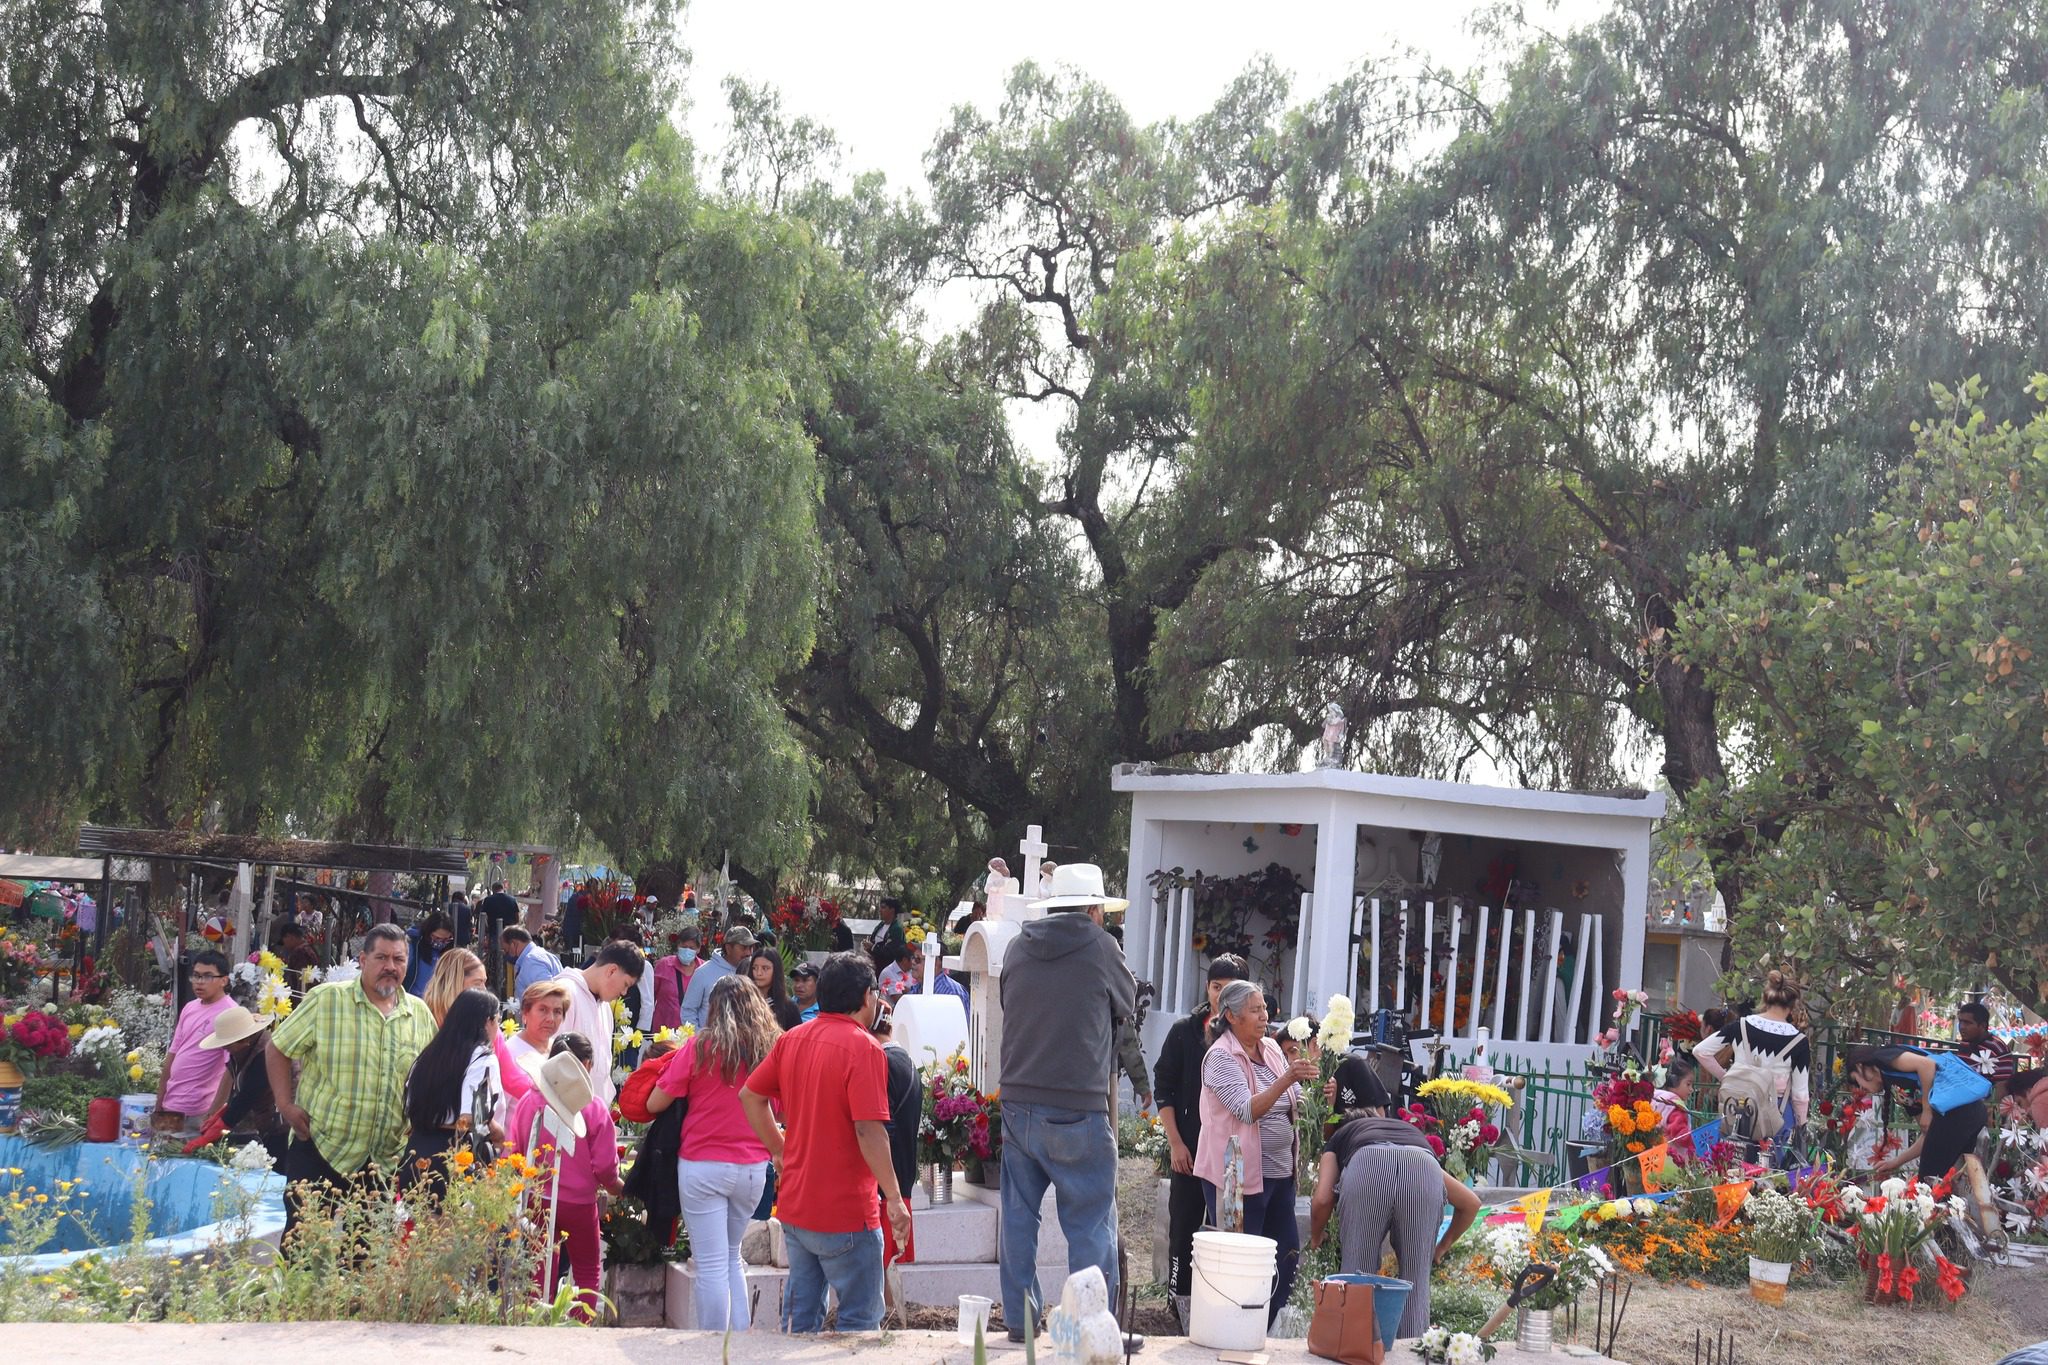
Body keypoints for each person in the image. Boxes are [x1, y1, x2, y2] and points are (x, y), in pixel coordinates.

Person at [998, 863, 1138, 1344]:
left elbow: (1007, 1001)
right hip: (1078, 1105)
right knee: (1090, 1222)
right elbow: (1127, 1002)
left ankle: (1020, 1322)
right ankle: (1089, 1330)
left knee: (1018, 1217)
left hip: (1017, 1102)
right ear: (1096, 909)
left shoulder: (1018, 946)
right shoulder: (1101, 946)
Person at [739, 951, 910, 1334]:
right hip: (847, 1213)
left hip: (798, 1209)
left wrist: (779, 1149)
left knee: (799, 1322)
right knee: (859, 1325)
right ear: (868, 997)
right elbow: (869, 1130)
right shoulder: (864, 1048)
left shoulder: (793, 1039)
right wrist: (895, 1198)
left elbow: (750, 1096)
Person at [266, 923, 436, 1241]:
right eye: (381, 957)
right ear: (362, 960)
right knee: (303, 1251)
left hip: (382, 1161)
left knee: (366, 1261)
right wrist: (284, 1104)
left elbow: (428, 1076)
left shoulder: (419, 1015)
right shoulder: (327, 1000)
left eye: (399, 959)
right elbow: (277, 1047)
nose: (390, 967)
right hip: (321, 1146)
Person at [1308, 1055, 1480, 1339]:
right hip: (1422, 1167)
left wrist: (1316, 1236)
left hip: (1367, 1166)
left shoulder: (1340, 1137)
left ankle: (1356, 1348)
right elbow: (1471, 1204)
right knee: (1414, 1284)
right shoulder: (1409, 1133)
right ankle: (1410, 1350)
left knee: (1357, 1280)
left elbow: (1322, 1199)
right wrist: (1440, 1248)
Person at [645, 976, 779, 1331]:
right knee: (733, 1258)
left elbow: (655, 1101)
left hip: (703, 1164)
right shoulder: (771, 1049)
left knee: (710, 1264)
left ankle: (712, 1346)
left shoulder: (700, 1047)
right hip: (753, 1167)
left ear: (714, 1009)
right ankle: (738, 1344)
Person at [1196, 978, 1315, 1323]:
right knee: (1241, 1263)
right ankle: (1233, 1328)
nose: (1265, 1016)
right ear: (1231, 1016)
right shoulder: (1220, 1057)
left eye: (1265, 1008)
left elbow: (1289, 1100)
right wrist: (1287, 1081)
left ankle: (1262, 1326)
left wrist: (1308, 1098)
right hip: (1238, 1177)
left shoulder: (1272, 1049)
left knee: (1287, 1257)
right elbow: (1246, 1110)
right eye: (1255, 1010)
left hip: (1279, 1174)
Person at [1153, 954, 1248, 1327]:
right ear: (1207, 988)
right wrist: (1176, 1143)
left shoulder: (1254, 1037)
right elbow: (1165, 1090)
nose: (1220, 995)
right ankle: (1178, 1305)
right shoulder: (1185, 1031)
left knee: (1231, 1235)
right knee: (1184, 1230)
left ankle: (1224, 1309)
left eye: (1229, 989)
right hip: (1190, 1153)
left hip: (1234, 1160)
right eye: (1216, 987)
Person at [510, 1034, 622, 1321]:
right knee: (586, 1270)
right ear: (585, 1065)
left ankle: (535, 1322)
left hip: (536, 1199)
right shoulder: (594, 1108)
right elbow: (606, 1168)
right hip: (580, 1204)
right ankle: (578, 1328)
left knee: (539, 1268)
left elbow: (515, 1151)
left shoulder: (529, 1101)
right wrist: (620, 1187)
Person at [1694, 972, 1809, 1163]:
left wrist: (1727, 1077)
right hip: (1776, 1115)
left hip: (1736, 1107)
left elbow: (1701, 1051)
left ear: (1765, 998)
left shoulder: (1740, 1026)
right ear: (1792, 1004)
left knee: (1731, 1168)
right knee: (1772, 1179)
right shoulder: (1798, 1042)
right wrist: (1801, 1127)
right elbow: (1800, 1096)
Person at [400, 987, 505, 1195]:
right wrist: (495, 1131)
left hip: (415, 1153)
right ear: (488, 1021)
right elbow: (472, 1116)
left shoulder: (429, 1055)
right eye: (498, 1021)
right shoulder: (483, 1058)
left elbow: (409, 1106)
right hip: (453, 1157)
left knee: (420, 1225)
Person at [1844, 1042, 1992, 1182]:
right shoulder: (1897, 1089)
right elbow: (1928, 1133)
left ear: (1859, 1066)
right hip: (1962, 1117)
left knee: (1928, 1184)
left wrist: (1927, 1109)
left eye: (1857, 1082)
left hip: (1960, 1112)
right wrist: (1896, 1162)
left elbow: (1926, 1064)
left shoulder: (1883, 1056)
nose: (1860, 1089)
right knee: (1945, 1183)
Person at [156, 949, 236, 1138]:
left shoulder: (230, 1014)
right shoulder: (190, 1007)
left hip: (197, 1112)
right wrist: (159, 1101)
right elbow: (173, 1054)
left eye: (208, 976)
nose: (200, 982)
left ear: (224, 980)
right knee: (160, 1162)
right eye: (196, 976)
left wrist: (212, 1115)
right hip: (171, 1105)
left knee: (187, 1163)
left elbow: (231, 1069)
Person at [553, 939, 645, 1105]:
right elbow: (554, 1061)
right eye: (625, 984)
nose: (624, 992)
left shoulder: (605, 1008)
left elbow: (602, 1070)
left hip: (594, 1115)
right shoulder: (565, 993)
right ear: (611, 971)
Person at [192, 1004, 285, 1160]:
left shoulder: (265, 1054)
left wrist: (216, 1129)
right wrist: (215, 1115)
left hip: (283, 1126)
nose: (224, 1048)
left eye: (228, 1045)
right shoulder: (243, 1051)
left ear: (243, 1040)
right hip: (267, 1123)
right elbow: (233, 1081)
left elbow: (247, 1097)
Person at [678, 925, 754, 1030]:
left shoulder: (753, 973)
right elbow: (688, 1011)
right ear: (728, 948)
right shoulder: (703, 973)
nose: (748, 953)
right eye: (744, 948)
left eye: (751, 948)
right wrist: (700, 1038)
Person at [1954, 1000, 2016, 1100]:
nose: (1962, 1027)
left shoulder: (1998, 1048)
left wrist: (1985, 1108)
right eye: (1960, 1021)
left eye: (1967, 1023)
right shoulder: (1965, 1043)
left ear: (1982, 1025)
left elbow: (2002, 1086)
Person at [507, 979, 572, 1073]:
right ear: (525, 1012)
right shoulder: (509, 1053)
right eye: (543, 1010)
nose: (550, 1019)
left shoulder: (561, 1051)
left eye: (557, 1012)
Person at [651, 926, 702, 1031]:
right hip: (663, 1032)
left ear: (698, 949)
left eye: (691, 948)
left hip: (691, 1034)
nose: (687, 950)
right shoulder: (664, 965)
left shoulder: (703, 970)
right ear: (678, 945)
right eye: (684, 946)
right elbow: (651, 996)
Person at [501, 924, 563, 1003]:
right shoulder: (543, 955)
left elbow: (548, 995)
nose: (507, 954)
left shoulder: (532, 961)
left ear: (513, 944)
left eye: (506, 950)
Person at [1651, 1054, 1698, 1153]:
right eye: (1688, 1084)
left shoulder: (1657, 1097)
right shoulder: (1676, 1106)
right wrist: (1696, 1142)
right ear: (1674, 1082)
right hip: (1672, 1157)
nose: (1691, 1089)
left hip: (1654, 1153)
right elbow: (1680, 1134)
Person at [749, 948, 802, 1030]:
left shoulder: (788, 1007)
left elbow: (795, 1038)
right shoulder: (743, 1002)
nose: (758, 973)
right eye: (755, 968)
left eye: (765, 968)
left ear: (776, 970)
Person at [405, 911, 456, 997]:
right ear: (428, 932)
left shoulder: (449, 952)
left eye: (445, 940)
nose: (440, 943)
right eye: (436, 938)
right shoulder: (412, 944)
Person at [866, 898, 907, 974]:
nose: (880, 910)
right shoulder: (880, 925)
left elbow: (890, 952)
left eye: (883, 907)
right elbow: (873, 941)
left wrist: (872, 947)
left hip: (888, 970)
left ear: (892, 910)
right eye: (880, 907)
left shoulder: (897, 929)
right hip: (874, 966)